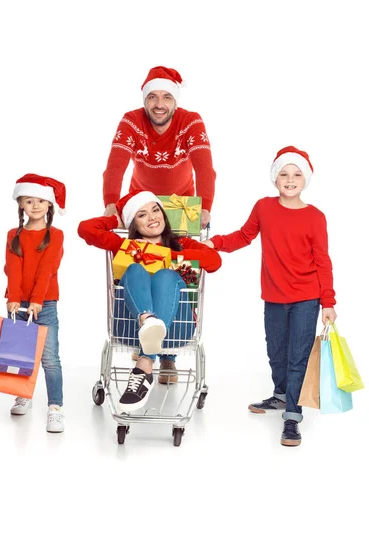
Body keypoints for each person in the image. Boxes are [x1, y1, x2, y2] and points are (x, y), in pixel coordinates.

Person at [203, 146, 337, 447]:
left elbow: (323, 261)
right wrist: (215, 243)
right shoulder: (264, 207)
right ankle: (279, 396)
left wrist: (328, 302)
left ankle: (292, 416)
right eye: (284, 174)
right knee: (276, 350)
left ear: (306, 179)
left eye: (297, 174)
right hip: (274, 295)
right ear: (275, 179)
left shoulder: (315, 217)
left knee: (297, 356)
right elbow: (244, 236)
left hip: (307, 297)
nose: (290, 180)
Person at [78, 190, 221, 412]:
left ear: (164, 214)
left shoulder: (181, 244)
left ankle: (144, 364)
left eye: (156, 210)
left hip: (176, 329)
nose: (152, 217)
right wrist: (115, 219)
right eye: (141, 214)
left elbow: (214, 261)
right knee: (135, 269)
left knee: (165, 276)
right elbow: (85, 229)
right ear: (133, 223)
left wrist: (164, 256)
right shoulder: (125, 247)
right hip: (131, 326)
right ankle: (147, 321)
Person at [102, 65, 216, 230]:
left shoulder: (191, 122)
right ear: (145, 101)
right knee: (140, 253)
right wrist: (111, 204)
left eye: (167, 97)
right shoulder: (131, 121)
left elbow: (204, 168)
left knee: (181, 254)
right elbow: (115, 166)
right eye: (152, 97)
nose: (159, 104)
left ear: (175, 103)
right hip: (140, 201)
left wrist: (205, 207)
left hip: (182, 202)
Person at [4, 173, 66, 433]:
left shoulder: (56, 235)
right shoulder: (13, 235)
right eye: (29, 201)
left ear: (50, 204)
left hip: (46, 305)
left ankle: (55, 408)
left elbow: (47, 270)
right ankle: (23, 396)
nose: (36, 206)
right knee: (21, 355)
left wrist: (38, 301)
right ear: (21, 205)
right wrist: (14, 299)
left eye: (41, 200)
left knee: (50, 358)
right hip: (18, 307)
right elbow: (12, 269)